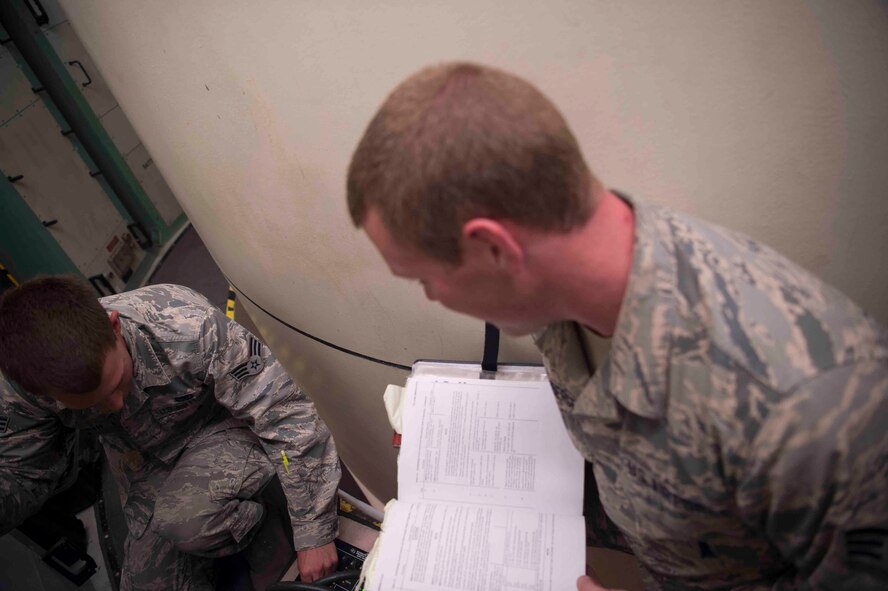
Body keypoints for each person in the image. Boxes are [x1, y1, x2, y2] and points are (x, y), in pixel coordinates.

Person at [346, 62, 888, 590]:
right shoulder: (567, 281)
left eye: (423, 279)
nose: (434, 298)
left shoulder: (809, 405)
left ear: (494, 249)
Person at [0, 277, 342, 590]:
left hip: (223, 427)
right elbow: (27, 472)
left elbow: (284, 415)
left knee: (188, 521)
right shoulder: (25, 387)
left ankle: (267, 523)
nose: (117, 404)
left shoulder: (187, 326)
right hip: (145, 463)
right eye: (95, 403)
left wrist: (314, 533)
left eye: (118, 382)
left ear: (114, 327)